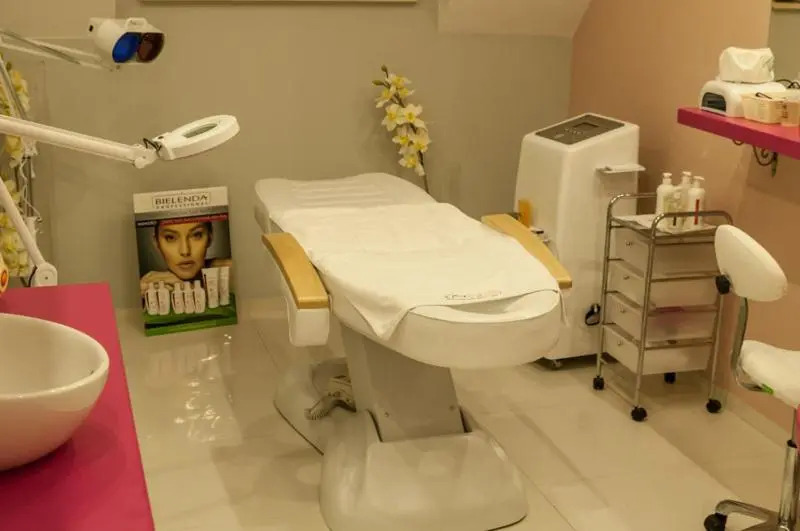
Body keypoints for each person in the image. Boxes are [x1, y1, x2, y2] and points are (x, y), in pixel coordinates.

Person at [140, 220, 231, 297]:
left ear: (209, 238)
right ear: (157, 242)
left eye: (196, 235)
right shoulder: (146, 287)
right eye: (170, 237)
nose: (185, 251)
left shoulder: (232, 274)